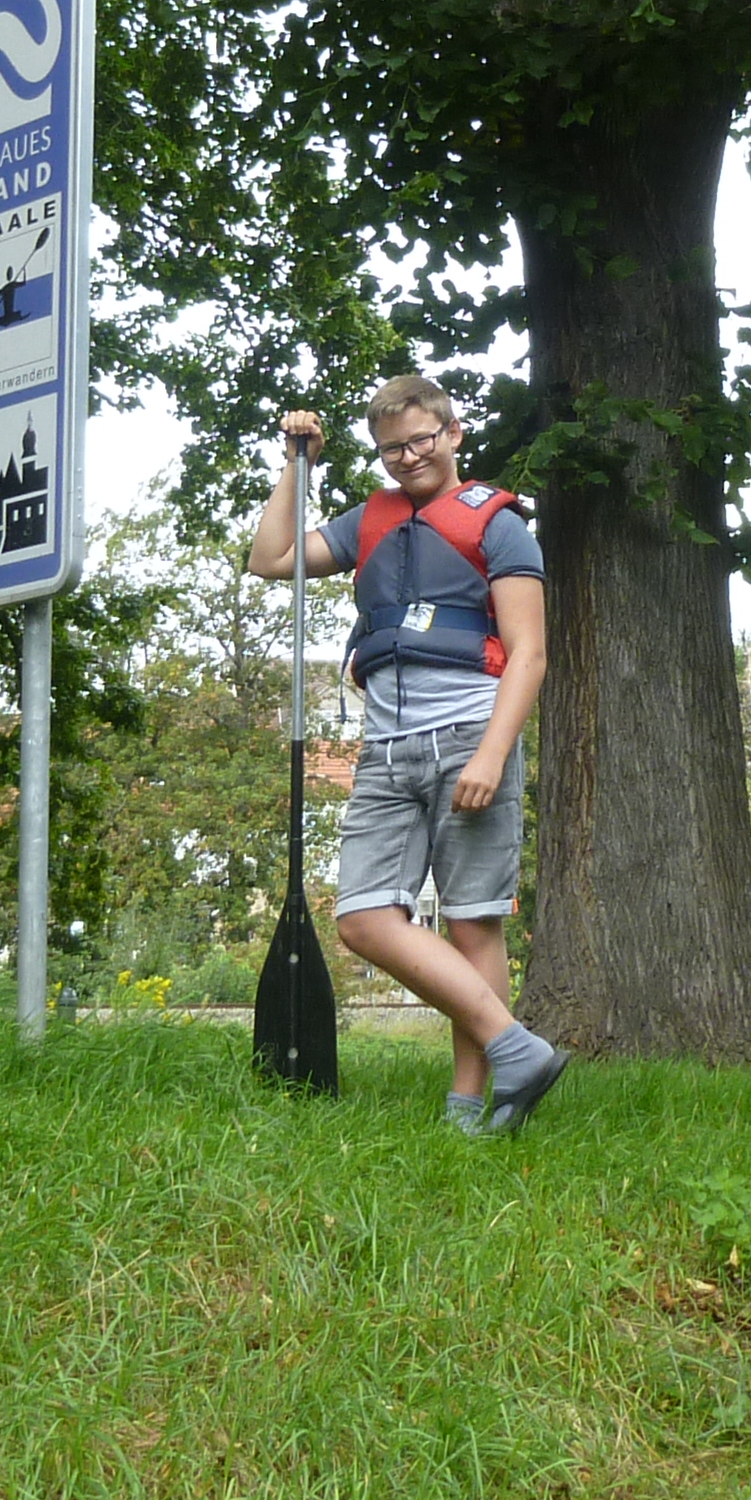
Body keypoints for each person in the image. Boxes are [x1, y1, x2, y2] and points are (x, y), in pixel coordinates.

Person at [246, 373, 565, 1131]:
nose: (409, 457)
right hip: (385, 747)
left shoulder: (500, 526)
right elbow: (270, 558)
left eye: (421, 440)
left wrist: (492, 755)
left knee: (473, 922)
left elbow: (529, 654)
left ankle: (469, 1106)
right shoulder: (371, 520)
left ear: (453, 434)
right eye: (392, 448)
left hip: (469, 735)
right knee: (362, 916)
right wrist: (297, 466)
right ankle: (518, 1048)